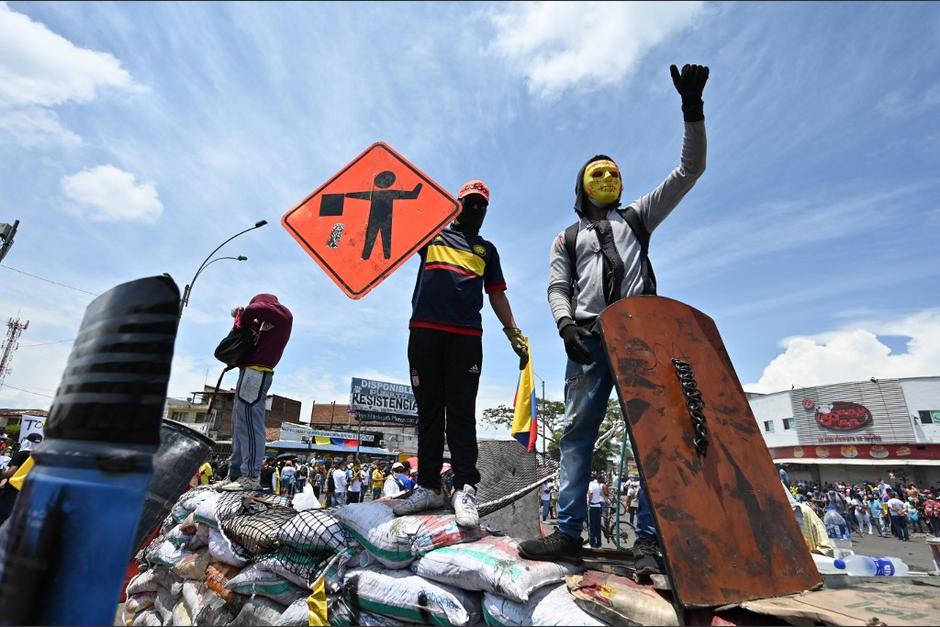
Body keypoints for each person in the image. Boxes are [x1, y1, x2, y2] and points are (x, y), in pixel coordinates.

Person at [518, 63, 709, 577]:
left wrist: (693, 109)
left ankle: (649, 540)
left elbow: (688, 172)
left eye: (614, 172)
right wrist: (565, 326)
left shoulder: (638, 218)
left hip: (643, 339)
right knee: (577, 434)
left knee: (652, 436)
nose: (607, 177)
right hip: (588, 340)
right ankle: (566, 532)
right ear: (581, 187)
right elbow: (557, 287)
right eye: (596, 173)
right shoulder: (566, 237)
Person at [396, 179, 530, 527]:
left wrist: (513, 332)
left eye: (481, 204)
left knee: (461, 412)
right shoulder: (431, 237)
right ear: (455, 205)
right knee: (428, 410)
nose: (475, 209)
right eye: (469, 202)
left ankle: (465, 488)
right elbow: (394, 230)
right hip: (424, 331)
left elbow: (497, 294)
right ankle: (427, 486)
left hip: (466, 338)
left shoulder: (487, 251)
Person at [218, 294, 293, 491]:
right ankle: (235, 473)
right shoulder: (266, 321)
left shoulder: (282, 315)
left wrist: (244, 314)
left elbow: (253, 310)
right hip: (249, 373)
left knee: (250, 425)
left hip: (257, 373)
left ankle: (250, 476)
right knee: (238, 427)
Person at [587, 473, 604, 549]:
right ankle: (599, 543)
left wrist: (589, 501)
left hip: (593, 506)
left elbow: (590, 493)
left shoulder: (590, 484)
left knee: (592, 526)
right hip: (598, 506)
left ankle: (592, 543)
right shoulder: (597, 484)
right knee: (597, 526)